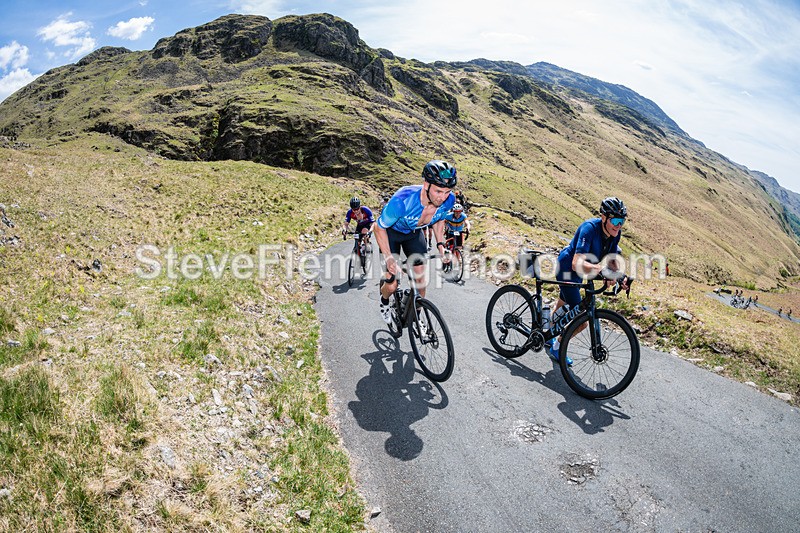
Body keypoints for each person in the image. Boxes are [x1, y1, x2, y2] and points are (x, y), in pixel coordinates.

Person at [374, 160, 457, 325]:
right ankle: (384, 301)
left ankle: (417, 316)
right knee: (392, 285)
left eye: (447, 191)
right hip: (391, 233)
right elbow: (378, 227)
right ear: (426, 185)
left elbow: (439, 220)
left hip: (413, 234)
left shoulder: (449, 200)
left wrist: (441, 246)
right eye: (439, 191)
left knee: (421, 281)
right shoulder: (402, 200)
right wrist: (389, 258)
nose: (443, 197)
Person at [550, 196, 631, 363]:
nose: (618, 225)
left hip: (582, 272)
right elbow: (576, 263)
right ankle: (557, 347)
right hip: (567, 268)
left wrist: (619, 276)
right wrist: (602, 270)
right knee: (581, 321)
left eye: (621, 220)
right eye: (615, 220)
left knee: (563, 304)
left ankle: (546, 332)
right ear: (603, 217)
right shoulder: (589, 229)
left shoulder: (615, 232)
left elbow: (612, 257)